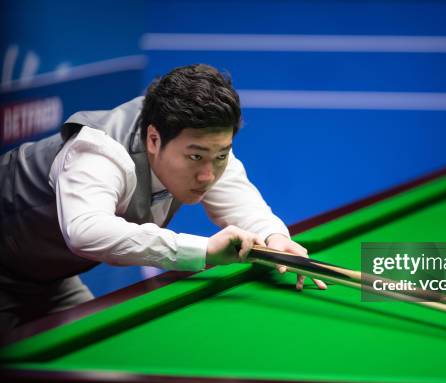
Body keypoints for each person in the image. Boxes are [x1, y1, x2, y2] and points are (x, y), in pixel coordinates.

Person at [0, 64, 326, 333]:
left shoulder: (202, 145)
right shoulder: (98, 152)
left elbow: (243, 205)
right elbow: (87, 232)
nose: (208, 175)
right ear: (154, 138)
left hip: (44, 277)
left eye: (221, 155)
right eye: (196, 158)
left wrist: (275, 238)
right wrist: (203, 251)